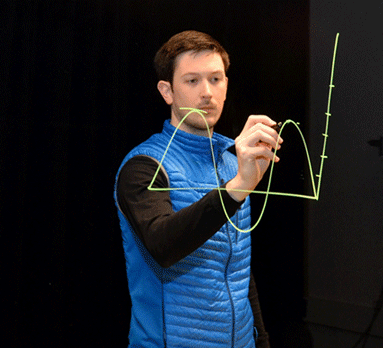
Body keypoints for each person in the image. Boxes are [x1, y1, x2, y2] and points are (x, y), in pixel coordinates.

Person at [114, 30, 282, 348]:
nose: (207, 93)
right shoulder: (144, 165)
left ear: (226, 85)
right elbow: (162, 245)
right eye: (192, 81)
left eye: (215, 79)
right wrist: (237, 188)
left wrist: (260, 339)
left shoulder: (233, 161)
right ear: (167, 91)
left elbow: (239, 268)